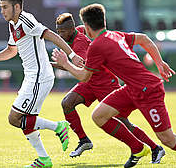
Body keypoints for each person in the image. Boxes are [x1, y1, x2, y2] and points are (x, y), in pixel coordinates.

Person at [52, 3, 176, 168]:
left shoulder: (96, 45)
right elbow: (144, 39)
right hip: (131, 88)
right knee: (99, 115)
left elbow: (83, 76)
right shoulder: (115, 34)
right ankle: (138, 148)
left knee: (168, 139)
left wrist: (65, 63)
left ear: (87, 26)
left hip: (148, 90)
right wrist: (159, 62)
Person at [0, 0, 83, 168]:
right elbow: (12, 50)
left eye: (5, 7)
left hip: (40, 77)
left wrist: (71, 55)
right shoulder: (13, 24)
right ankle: (44, 160)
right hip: (32, 77)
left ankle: (58, 127)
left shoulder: (26, 20)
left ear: (16, 7)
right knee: (25, 120)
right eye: (0, 7)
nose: (2, 11)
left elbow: (51, 35)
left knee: (15, 118)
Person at [52, 13, 166, 164]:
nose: (60, 35)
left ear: (71, 29)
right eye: (58, 31)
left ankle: (155, 148)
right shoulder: (79, 30)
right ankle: (84, 140)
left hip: (105, 82)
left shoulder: (79, 44)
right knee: (67, 103)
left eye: (63, 32)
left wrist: (55, 64)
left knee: (122, 121)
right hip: (89, 83)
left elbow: (81, 71)